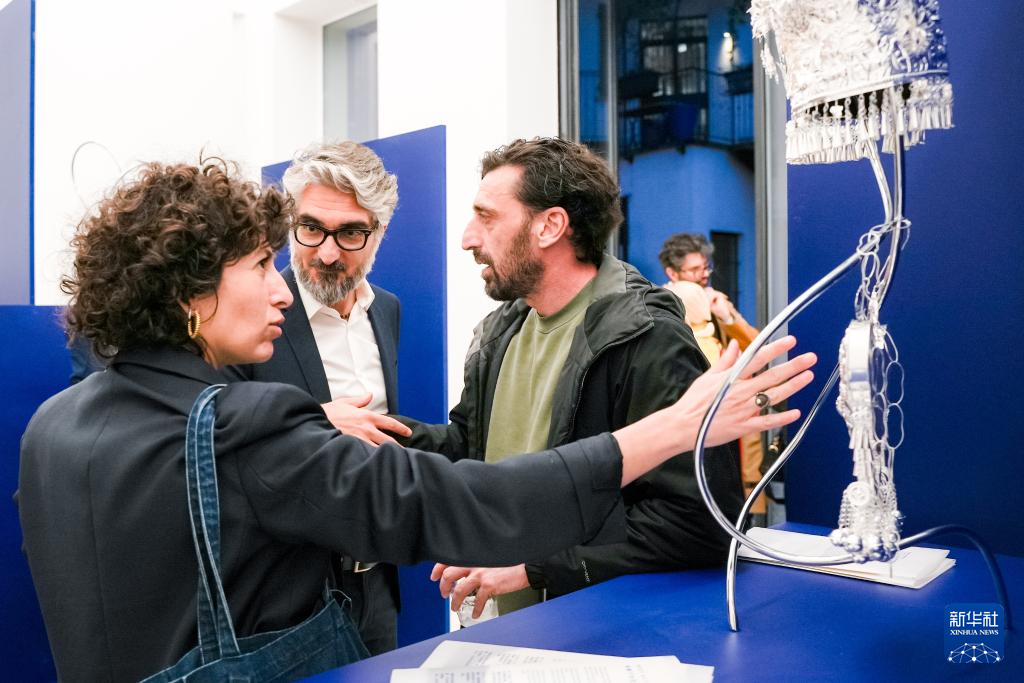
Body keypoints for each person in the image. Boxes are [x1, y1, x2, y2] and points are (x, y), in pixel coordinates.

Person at [16, 158, 815, 682]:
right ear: (190, 292)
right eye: (261, 264)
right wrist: (675, 427)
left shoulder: (54, 425)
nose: (284, 285)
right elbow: (462, 502)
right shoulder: (244, 429)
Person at [408, 138, 747, 619]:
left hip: (594, 630)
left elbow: (697, 523)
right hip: (510, 625)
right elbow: (475, 446)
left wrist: (536, 568)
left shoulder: (646, 337)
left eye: (487, 217)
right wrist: (377, 437)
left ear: (550, 226)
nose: (468, 238)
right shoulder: (500, 331)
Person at [227, 141, 410, 655]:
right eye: (310, 228)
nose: (327, 254)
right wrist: (311, 424)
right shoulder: (253, 316)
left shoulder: (387, 310)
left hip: (378, 585)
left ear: (379, 233)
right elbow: (213, 450)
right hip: (290, 604)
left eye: (350, 233)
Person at [659, 232, 767, 518]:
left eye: (706, 267)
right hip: (686, 424)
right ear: (672, 273)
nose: (704, 275)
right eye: (694, 270)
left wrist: (728, 318)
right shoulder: (660, 308)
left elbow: (758, 350)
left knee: (737, 507)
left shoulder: (719, 303)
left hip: (730, 422)